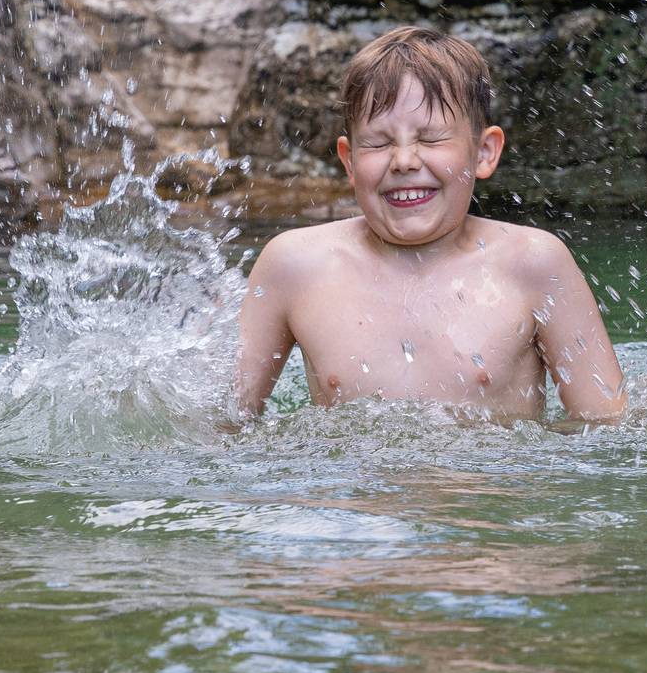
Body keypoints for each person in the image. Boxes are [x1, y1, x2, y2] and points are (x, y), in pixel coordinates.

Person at [235, 26, 625, 424]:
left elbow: (606, 426)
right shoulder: (294, 266)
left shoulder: (533, 264)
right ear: (349, 161)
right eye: (378, 143)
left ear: (484, 152)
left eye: (432, 139)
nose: (404, 161)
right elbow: (222, 423)